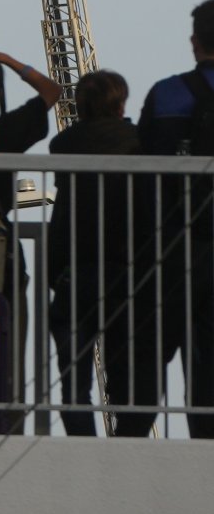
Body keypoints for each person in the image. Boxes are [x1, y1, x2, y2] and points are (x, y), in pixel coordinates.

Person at [41, 71, 152, 437]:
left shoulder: (63, 145)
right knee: (128, 371)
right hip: (128, 267)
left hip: (75, 267)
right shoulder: (139, 143)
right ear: (121, 104)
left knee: (74, 377)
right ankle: (128, 440)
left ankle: (82, 441)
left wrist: (53, 271)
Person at [133, 0, 214, 446]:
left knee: (152, 347)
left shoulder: (167, 94)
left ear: (194, 41)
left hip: (172, 243)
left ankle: (133, 430)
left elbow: (143, 165)